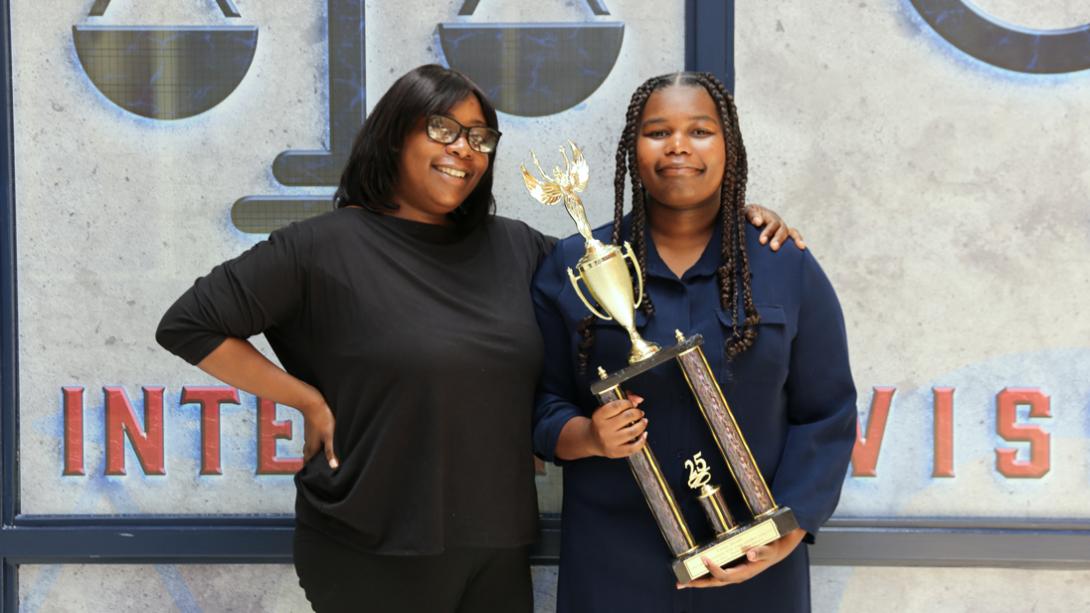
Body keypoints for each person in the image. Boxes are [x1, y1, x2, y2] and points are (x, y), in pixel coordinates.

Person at [156, 64, 801, 613]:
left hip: (496, 545)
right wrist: (304, 399)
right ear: (393, 136)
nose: (462, 149)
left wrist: (725, 217)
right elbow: (189, 323)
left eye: (479, 137)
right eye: (441, 129)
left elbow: (622, 267)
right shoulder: (320, 248)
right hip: (369, 542)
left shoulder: (514, 248)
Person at [532, 72, 857, 613]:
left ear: (729, 146)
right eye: (658, 131)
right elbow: (540, 402)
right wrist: (587, 434)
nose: (678, 145)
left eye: (700, 131)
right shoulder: (575, 265)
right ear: (631, 151)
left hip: (754, 563)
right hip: (613, 559)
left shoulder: (783, 263)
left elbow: (827, 412)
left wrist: (791, 525)